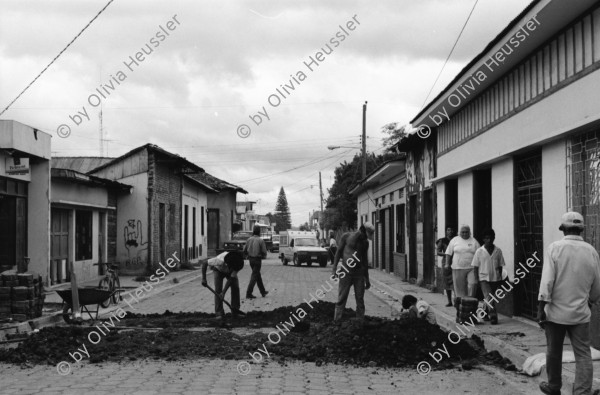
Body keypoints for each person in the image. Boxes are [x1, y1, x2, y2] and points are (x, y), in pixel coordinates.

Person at [537, 212, 600, 395]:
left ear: (562, 228)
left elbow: (547, 281)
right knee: (583, 355)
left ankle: (554, 386)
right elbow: (597, 285)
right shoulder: (591, 251)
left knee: (554, 352)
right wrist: (590, 302)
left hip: (556, 313)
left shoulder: (555, 248)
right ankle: (582, 392)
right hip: (580, 313)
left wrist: (541, 307)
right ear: (581, 229)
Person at [332, 222, 374, 322]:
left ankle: (360, 321)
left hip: (359, 274)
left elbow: (364, 261)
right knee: (342, 298)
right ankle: (337, 320)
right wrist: (334, 269)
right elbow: (338, 252)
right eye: (366, 235)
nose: (366, 238)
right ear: (362, 232)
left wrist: (367, 279)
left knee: (360, 299)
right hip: (345, 272)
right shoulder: (346, 237)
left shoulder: (365, 243)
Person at [471, 228, 505, 325]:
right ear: (483, 239)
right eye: (486, 238)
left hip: (495, 278)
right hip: (483, 278)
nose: (489, 240)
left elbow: (500, 266)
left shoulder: (498, 251)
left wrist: (500, 278)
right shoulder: (479, 251)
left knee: (489, 297)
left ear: (494, 238)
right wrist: (476, 279)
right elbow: (475, 267)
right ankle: (493, 315)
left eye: (490, 238)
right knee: (489, 296)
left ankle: (484, 312)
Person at [201, 250, 244, 318]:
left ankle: (235, 310)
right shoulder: (219, 260)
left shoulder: (238, 263)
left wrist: (223, 293)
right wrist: (204, 279)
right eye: (232, 269)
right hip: (218, 270)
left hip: (229, 271)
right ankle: (219, 313)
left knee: (235, 287)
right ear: (228, 265)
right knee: (218, 290)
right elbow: (204, 263)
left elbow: (231, 279)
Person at [445, 225, 480, 300]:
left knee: (472, 284)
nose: (464, 234)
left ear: (469, 232)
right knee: (459, 289)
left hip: (471, 268)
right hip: (458, 268)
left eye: (466, 232)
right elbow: (448, 252)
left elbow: (479, 254)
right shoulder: (455, 240)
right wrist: (447, 263)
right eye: (462, 232)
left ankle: (470, 300)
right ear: (459, 233)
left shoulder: (474, 241)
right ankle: (460, 304)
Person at [244, 225, 269, 299]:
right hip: (257, 260)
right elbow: (264, 251)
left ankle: (263, 291)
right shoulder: (260, 240)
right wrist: (264, 256)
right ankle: (248, 293)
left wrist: (247, 255)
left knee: (257, 275)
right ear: (259, 232)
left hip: (251, 260)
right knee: (254, 276)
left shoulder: (249, 239)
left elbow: (244, 250)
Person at [436, 227, 455, 307]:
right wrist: (447, 254)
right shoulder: (442, 241)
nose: (450, 231)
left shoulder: (456, 240)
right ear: (446, 231)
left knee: (455, 281)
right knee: (447, 282)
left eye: (451, 230)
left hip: (455, 262)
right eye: (448, 230)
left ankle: (456, 300)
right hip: (445, 263)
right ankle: (449, 301)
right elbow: (438, 252)